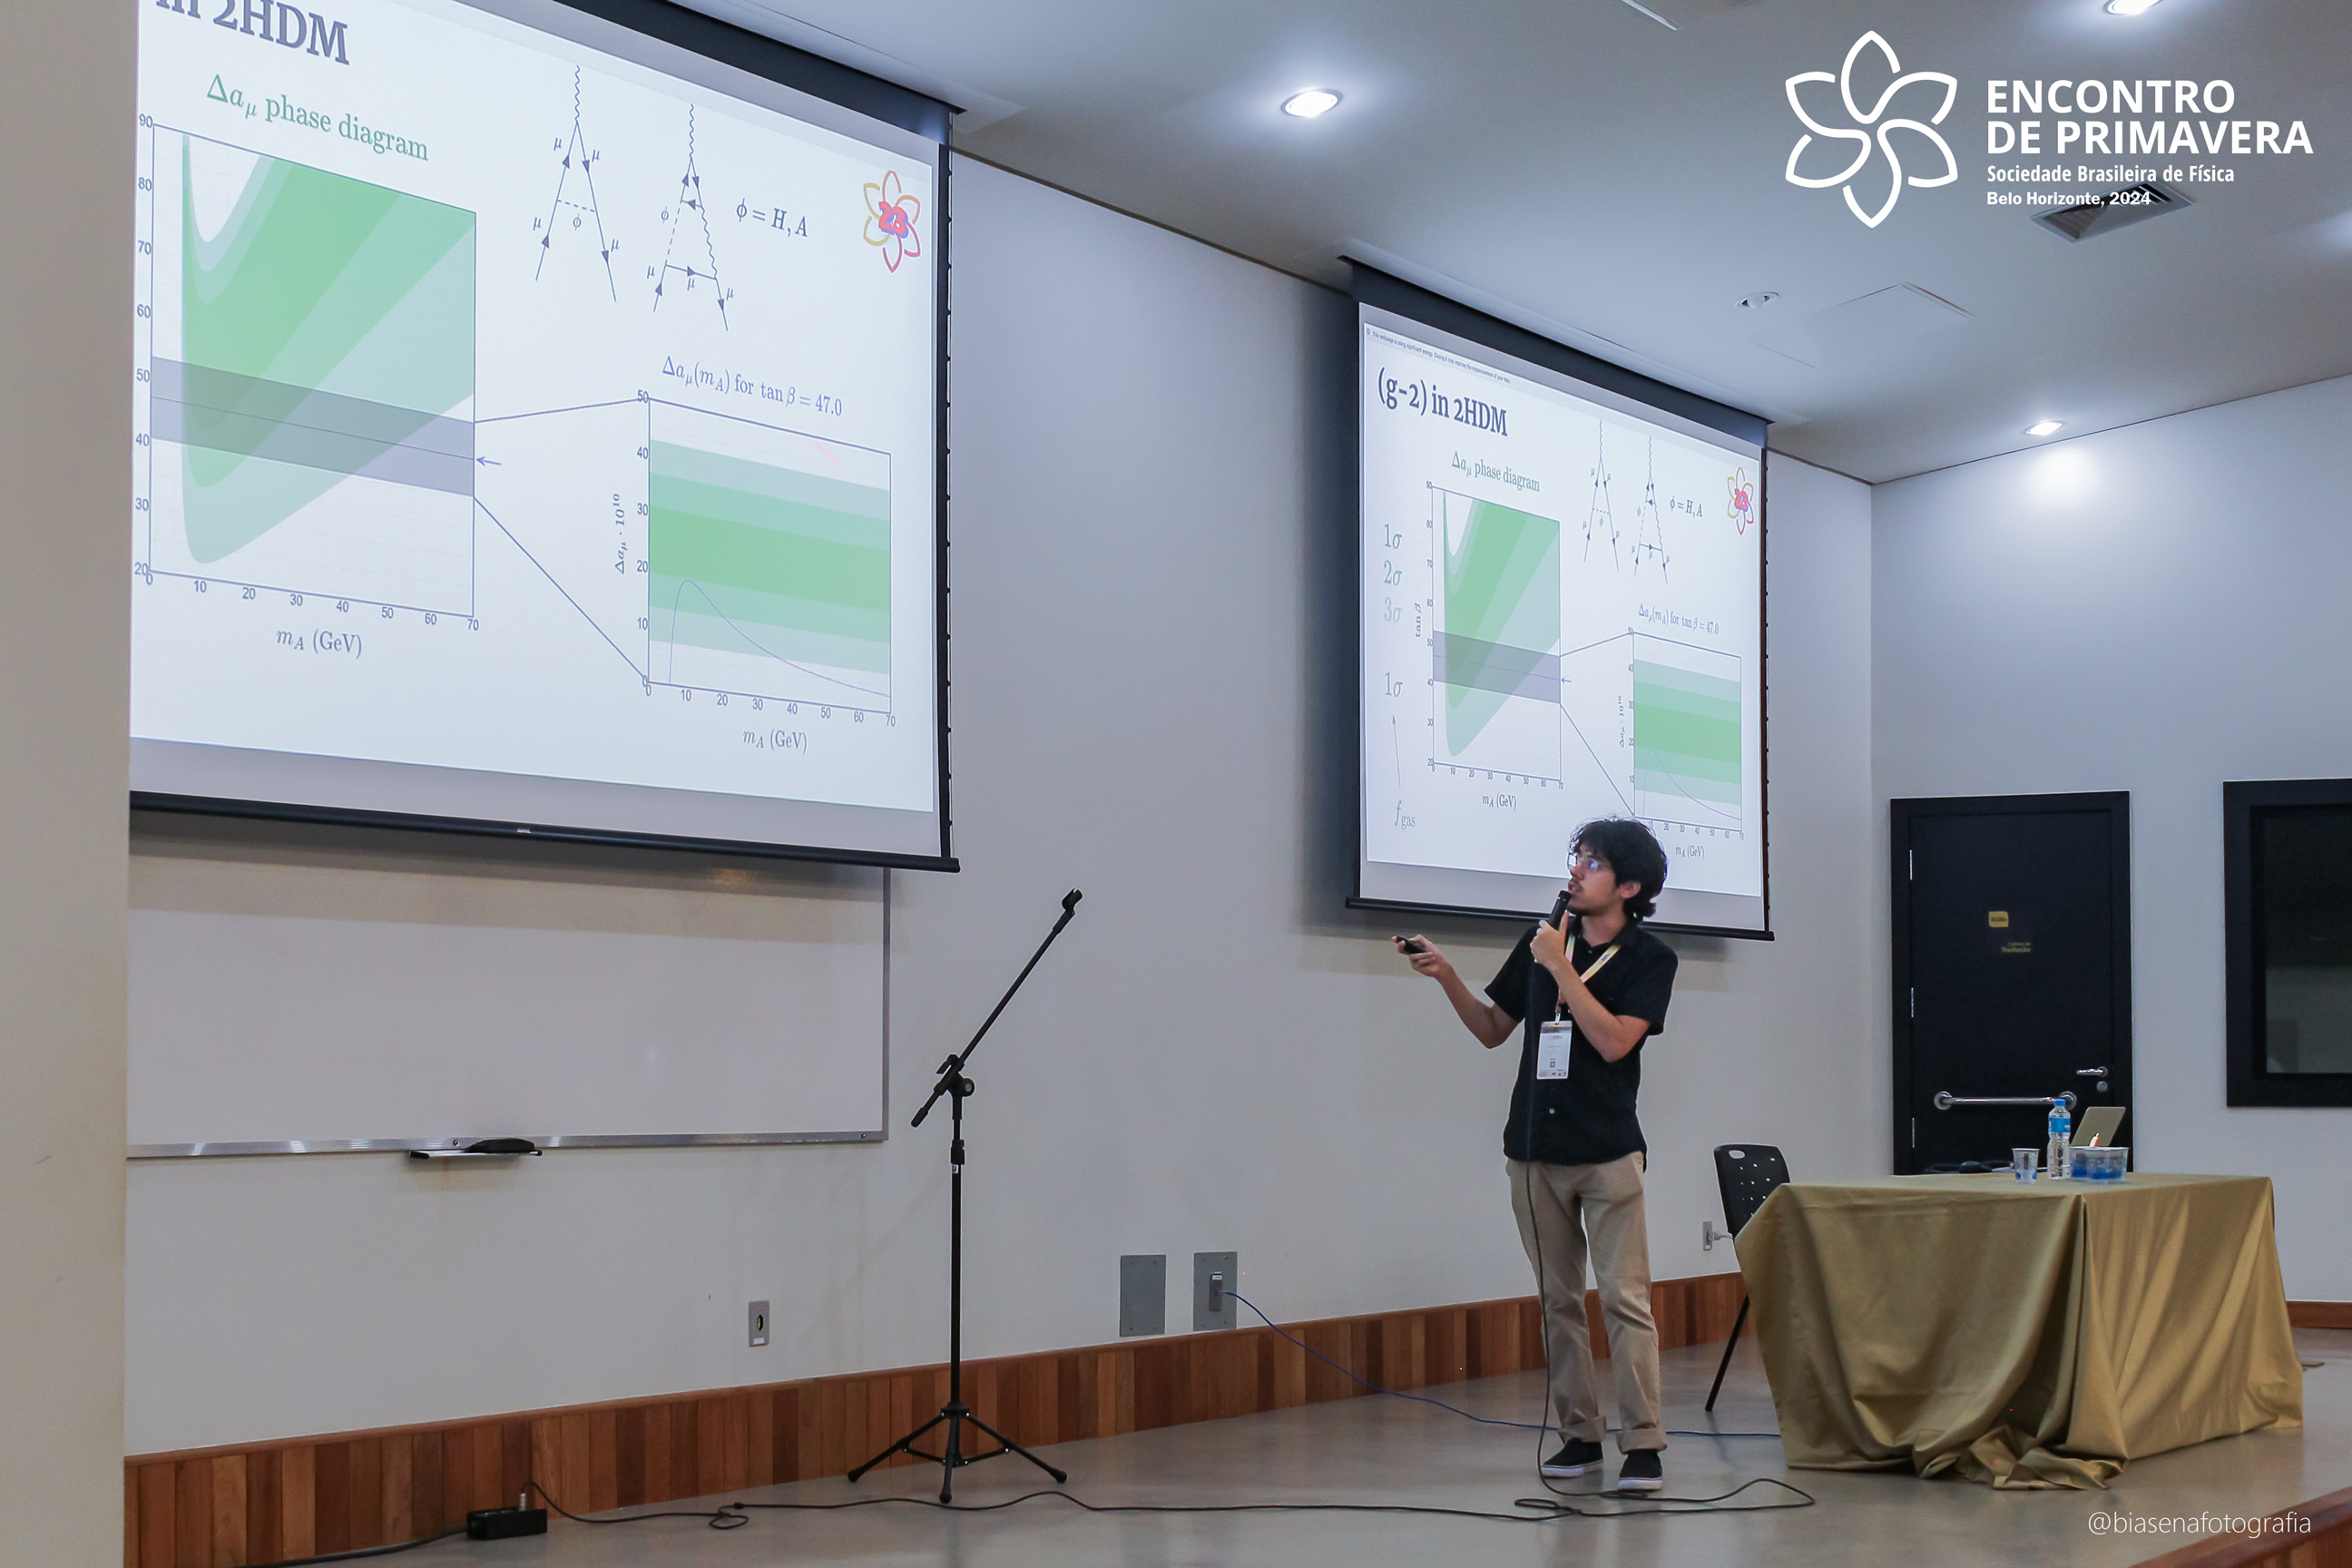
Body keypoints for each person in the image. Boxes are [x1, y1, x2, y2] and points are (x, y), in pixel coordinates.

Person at [1396, 818, 1679, 1493]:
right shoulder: (1543, 941)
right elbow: (1494, 1029)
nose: (1576, 869)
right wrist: (1447, 976)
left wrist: (1560, 966)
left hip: (1607, 1150)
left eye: (1594, 862)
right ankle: (1580, 1436)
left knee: (1624, 1299)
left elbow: (1614, 1042)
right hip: (1533, 1149)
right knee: (1558, 1300)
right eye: (1577, 856)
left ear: (1630, 886)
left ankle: (1643, 1444)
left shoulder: (1648, 957)